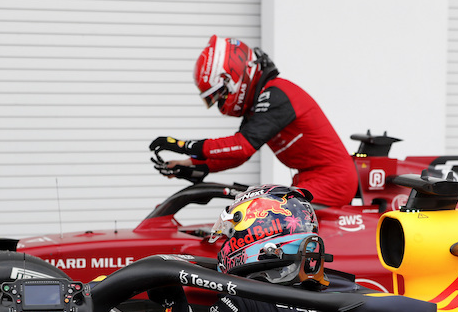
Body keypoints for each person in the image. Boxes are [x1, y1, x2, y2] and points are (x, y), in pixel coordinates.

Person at [149, 35, 358, 207]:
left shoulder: (276, 95)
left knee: (264, 214)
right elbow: (236, 155)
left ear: (234, 79)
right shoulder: (262, 99)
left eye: (219, 95)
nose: (220, 104)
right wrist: (189, 165)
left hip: (333, 181)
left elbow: (242, 146)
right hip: (314, 178)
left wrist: (184, 146)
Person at [148, 184, 331, 312]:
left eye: (232, 235)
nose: (227, 243)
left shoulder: (240, 306)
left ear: (256, 236)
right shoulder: (326, 293)